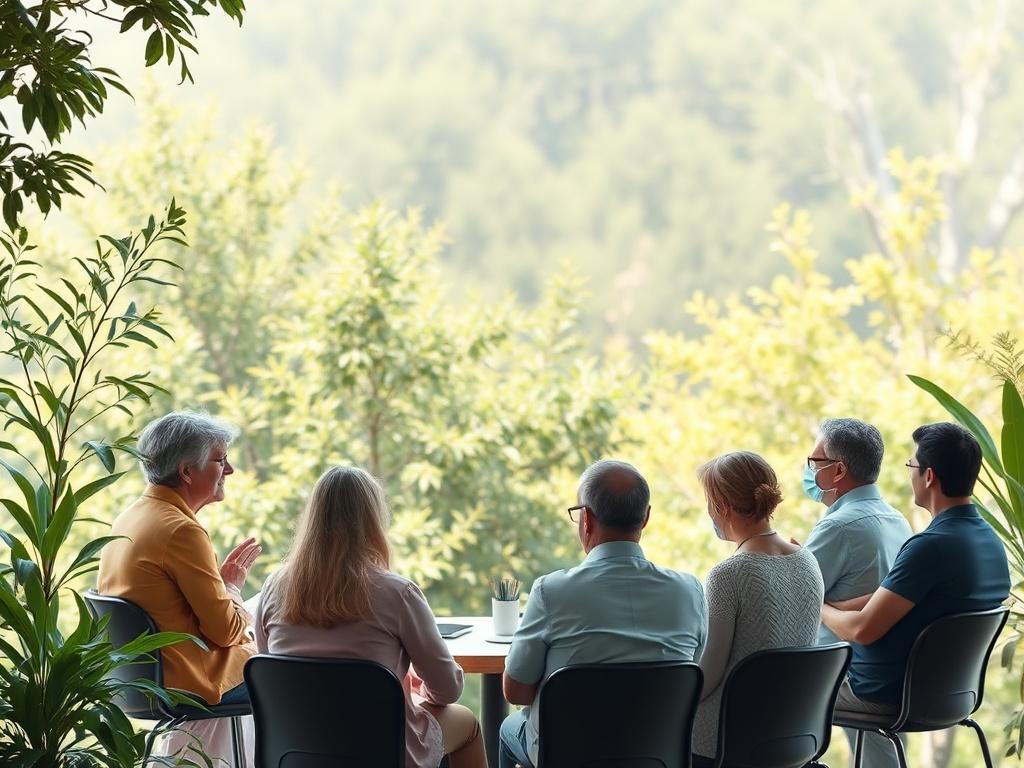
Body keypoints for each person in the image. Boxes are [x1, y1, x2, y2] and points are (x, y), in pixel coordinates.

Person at [255, 466, 487, 768]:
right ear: (373, 521)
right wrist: (409, 685)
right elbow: (447, 690)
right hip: (380, 751)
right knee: (468, 724)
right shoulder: (397, 592)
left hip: (298, 750)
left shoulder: (274, 587)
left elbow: (272, 667)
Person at [499, 459, 707, 768]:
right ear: (646, 518)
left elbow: (515, 690)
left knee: (507, 729)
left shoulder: (552, 591)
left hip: (569, 755)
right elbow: (689, 671)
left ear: (586, 519)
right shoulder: (689, 591)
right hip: (654, 754)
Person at [822, 422, 1010, 756]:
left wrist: (817, 604)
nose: (910, 474)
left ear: (929, 476)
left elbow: (862, 630)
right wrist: (839, 604)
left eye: (912, 466)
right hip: (954, 694)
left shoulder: (930, 546)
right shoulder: (988, 543)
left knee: (781, 686)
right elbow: (897, 596)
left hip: (885, 694)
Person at [99, 410, 259, 707]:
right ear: (186, 471)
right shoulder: (181, 531)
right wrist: (233, 589)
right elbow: (225, 633)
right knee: (294, 663)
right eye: (221, 460)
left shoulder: (129, 517)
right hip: (189, 683)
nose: (231, 470)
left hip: (137, 682)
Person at [691, 451, 824, 766]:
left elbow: (708, 676)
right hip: (791, 734)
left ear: (722, 506)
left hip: (726, 741)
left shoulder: (729, 574)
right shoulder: (808, 560)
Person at [800, 417, 913, 767]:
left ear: (838, 471)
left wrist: (791, 563)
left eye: (815, 462)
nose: (809, 471)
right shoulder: (897, 519)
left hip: (845, 670)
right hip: (896, 668)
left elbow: (799, 595)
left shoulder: (839, 525)